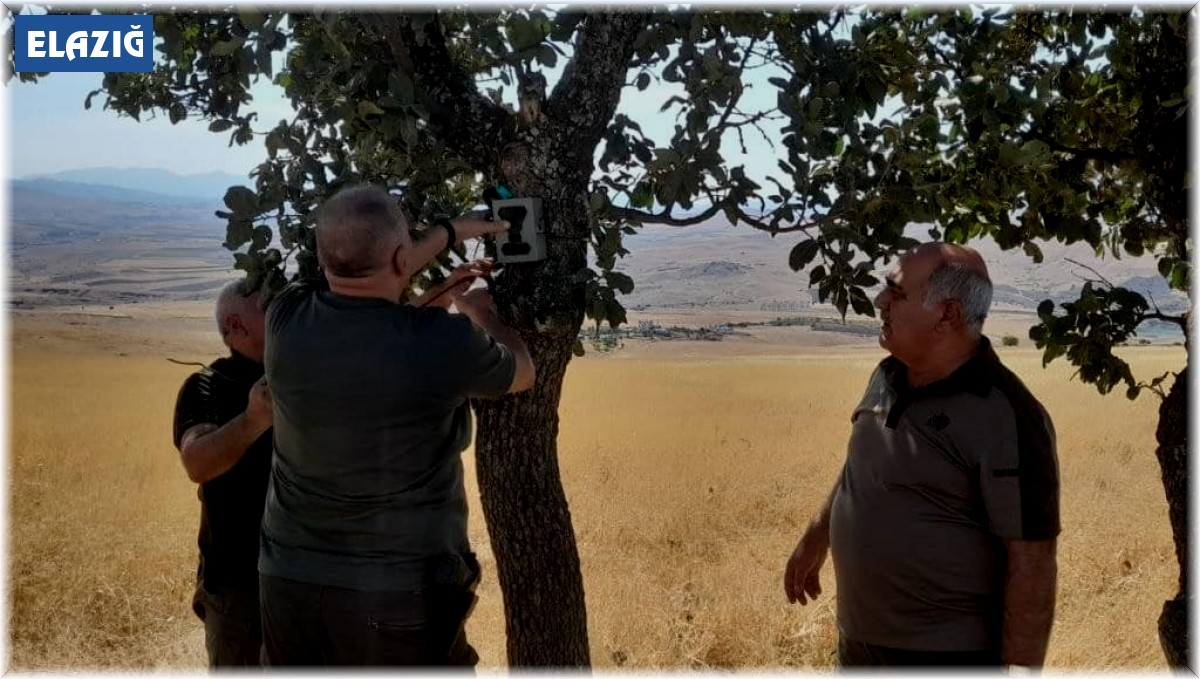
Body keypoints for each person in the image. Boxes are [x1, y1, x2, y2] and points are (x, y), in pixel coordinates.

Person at [258, 185, 536, 667]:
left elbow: (368, 287)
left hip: (287, 580)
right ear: (402, 256)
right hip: (398, 588)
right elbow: (523, 372)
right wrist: (483, 313)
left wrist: (448, 233)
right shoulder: (442, 341)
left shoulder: (286, 317)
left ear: (322, 257)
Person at [784, 242, 1060, 670]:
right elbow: (864, 463)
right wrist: (816, 536)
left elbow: (1033, 561)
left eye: (895, 293)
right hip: (859, 643)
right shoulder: (887, 375)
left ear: (947, 314)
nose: (879, 301)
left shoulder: (1008, 414)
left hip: (945, 656)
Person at [171, 281, 273, 668]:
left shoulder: (301, 374)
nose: (283, 314)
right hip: (240, 581)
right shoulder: (206, 385)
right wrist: (253, 420)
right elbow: (197, 462)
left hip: (309, 572)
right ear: (235, 325)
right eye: (269, 307)